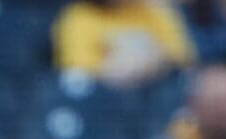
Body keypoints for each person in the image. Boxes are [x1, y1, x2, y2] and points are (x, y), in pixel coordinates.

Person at [54, 0, 198, 87]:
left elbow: (184, 62)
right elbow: (78, 76)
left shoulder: (156, 11)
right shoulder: (78, 17)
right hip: (105, 106)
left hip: (156, 97)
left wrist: (152, 60)